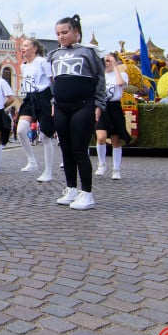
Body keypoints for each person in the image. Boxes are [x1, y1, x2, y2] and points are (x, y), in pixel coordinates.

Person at [47, 15, 105, 210]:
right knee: (65, 148)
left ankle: (87, 192)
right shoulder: (54, 54)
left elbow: (99, 79)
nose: (61, 37)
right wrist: (54, 102)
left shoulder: (89, 52)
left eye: (65, 32)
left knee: (79, 149)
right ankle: (71, 187)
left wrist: (99, 104)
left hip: (83, 105)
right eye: (58, 34)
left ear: (76, 33)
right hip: (62, 107)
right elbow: (54, 82)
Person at [15, 38, 57, 182]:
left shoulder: (43, 62)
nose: (23, 48)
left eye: (25, 45)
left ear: (35, 49)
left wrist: (53, 101)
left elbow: (52, 81)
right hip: (30, 97)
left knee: (45, 136)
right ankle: (32, 161)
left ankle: (48, 171)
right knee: (20, 130)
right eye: (22, 46)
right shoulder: (23, 66)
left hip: (44, 96)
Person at [94, 52, 132, 180]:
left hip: (115, 107)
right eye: (104, 60)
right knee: (101, 137)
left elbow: (120, 84)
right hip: (103, 107)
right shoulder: (100, 76)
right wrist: (97, 108)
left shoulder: (121, 74)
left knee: (116, 140)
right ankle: (101, 164)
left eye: (109, 60)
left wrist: (115, 66)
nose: (106, 63)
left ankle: (116, 169)